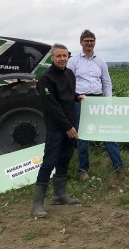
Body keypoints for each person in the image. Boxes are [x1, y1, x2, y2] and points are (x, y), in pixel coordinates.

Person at [67, 29, 129, 181]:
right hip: (81, 101)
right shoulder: (73, 61)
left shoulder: (101, 61)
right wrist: (75, 97)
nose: (89, 43)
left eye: (92, 40)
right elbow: (68, 83)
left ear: (95, 42)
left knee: (107, 132)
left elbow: (107, 82)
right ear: (81, 43)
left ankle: (119, 166)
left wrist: (108, 101)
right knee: (83, 136)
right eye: (86, 41)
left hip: (98, 101)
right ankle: (83, 170)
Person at [32, 43, 83, 218]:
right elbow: (52, 106)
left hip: (71, 125)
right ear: (52, 58)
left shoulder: (69, 74)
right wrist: (67, 127)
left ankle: (59, 195)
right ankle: (37, 204)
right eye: (59, 56)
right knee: (49, 161)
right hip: (57, 127)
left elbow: (68, 95)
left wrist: (77, 96)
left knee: (65, 158)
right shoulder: (45, 79)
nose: (62, 59)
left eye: (65, 56)